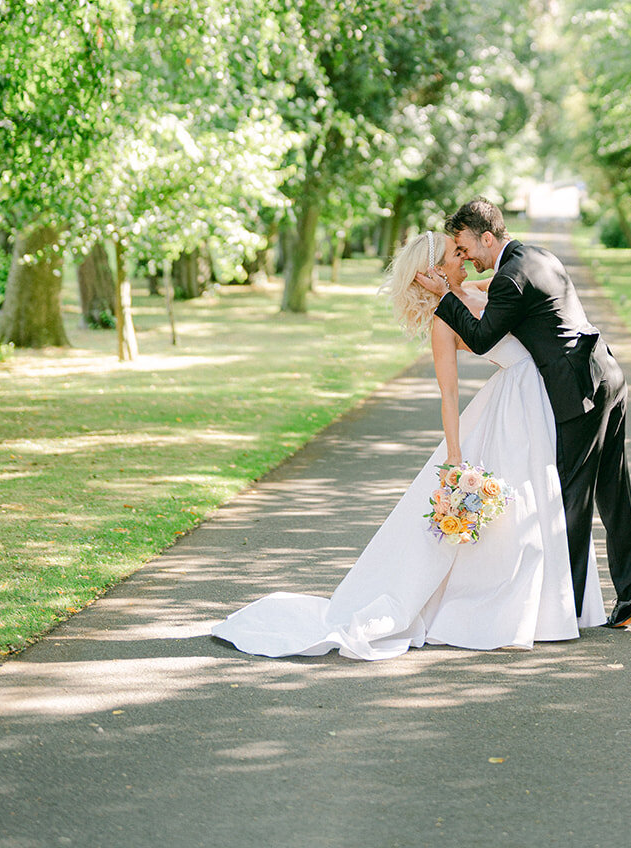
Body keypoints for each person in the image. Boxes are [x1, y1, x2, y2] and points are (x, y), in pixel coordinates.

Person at [211, 229, 605, 661]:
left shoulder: (485, 287)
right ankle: (508, 613)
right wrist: (455, 456)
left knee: (542, 505)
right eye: (457, 253)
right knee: (520, 508)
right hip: (513, 406)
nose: (467, 256)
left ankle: (554, 609)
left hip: (536, 398)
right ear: (435, 269)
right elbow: (449, 394)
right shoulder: (443, 320)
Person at [416, 198, 631, 630]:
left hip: (578, 392)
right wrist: (463, 289)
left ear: (487, 237)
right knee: (613, 489)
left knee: (572, 498)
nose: (463, 254)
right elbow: (505, 297)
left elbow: (483, 340)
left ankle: (569, 607)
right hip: (607, 374)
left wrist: (444, 296)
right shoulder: (536, 256)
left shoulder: (508, 280)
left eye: (466, 245)